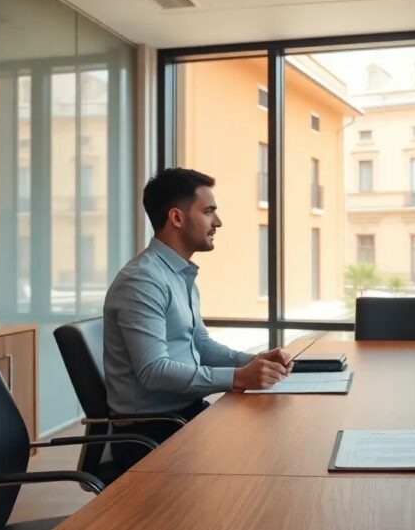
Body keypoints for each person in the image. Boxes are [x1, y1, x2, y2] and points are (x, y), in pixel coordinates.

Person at [104, 168, 292, 468]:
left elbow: (201, 345)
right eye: (208, 212)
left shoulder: (178, 274)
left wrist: (255, 361)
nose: (218, 222)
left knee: (275, 447)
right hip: (150, 437)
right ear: (176, 218)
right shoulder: (142, 280)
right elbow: (154, 371)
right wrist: (237, 377)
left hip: (185, 416)